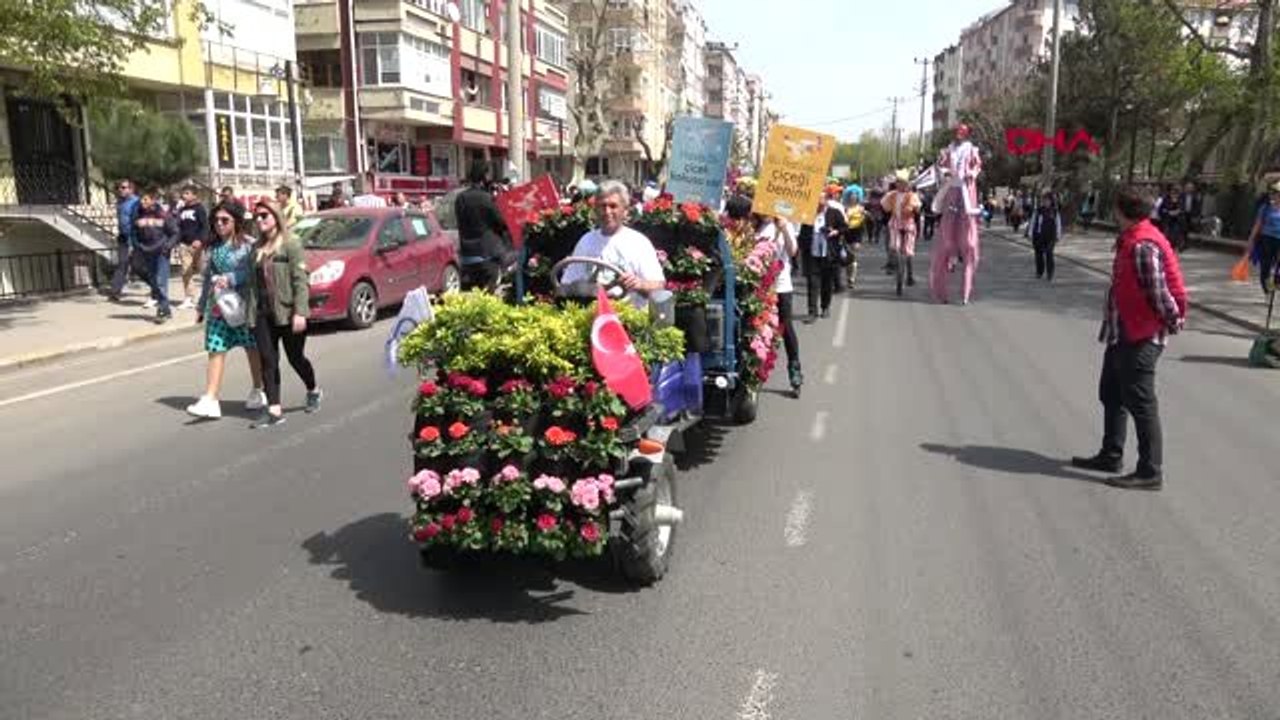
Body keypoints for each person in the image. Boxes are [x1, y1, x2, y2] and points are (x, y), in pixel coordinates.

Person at [1072, 187, 1187, 491]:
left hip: (1141, 333)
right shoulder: (1134, 237)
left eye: (1114, 209)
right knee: (1111, 393)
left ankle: (1150, 471)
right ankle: (1111, 454)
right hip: (1123, 330)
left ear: (1121, 211)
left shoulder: (1142, 245)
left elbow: (1160, 294)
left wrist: (1172, 323)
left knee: (1141, 402)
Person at [187, 201, 267, 419]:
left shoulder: (249, 245)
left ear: (237, 221)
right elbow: (206, 279)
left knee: (251, 348)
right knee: (216, 348)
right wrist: (201, 305)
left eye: (225, 220)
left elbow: (251, 273)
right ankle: (211, 398)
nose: (219, 224)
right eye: (216, 220)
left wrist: (230, 278)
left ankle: (259, 389)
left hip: (243, 306)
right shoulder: (212, 248)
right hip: (219, 306)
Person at [249, 200, 322, 428]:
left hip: (288, 312)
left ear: (276, 217)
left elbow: (300, 280)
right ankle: (274, 409)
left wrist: (300, 312)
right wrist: (249, 314)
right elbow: (251, 285)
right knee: (268, 360)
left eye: (264, 215)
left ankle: (313, 389)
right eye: (257, 217)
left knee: (295, 358)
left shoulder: (291, 243)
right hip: (263, 313)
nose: (259, 220)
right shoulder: (256, 249)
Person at [562, 181, 665, 307]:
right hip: (591, 316)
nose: (607, 212)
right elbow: (567, 284)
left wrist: (639, 284)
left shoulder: (639, 243)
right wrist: (585, 288)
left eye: (613, 206)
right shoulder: (586, 241)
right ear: (595, 210)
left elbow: (659, 285)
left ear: (625, 211)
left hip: (629, 317)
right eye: (602, 206)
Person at [931, 123, 983, 305]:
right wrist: (944, 170)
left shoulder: (972, 150)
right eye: (956, 133)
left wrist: (971, 173)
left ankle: (966, 292)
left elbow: (977, 167)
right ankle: (943, 285)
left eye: (962, 133)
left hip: (966, 193)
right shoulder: (948, 150)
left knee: (968, 241)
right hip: (951, 191)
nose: (958, 136)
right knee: (946, 242)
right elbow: (940, 167)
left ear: (966, 135)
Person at [758, 213, 802, 391]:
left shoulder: (785, 224)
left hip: (780, 285)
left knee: (785, 326)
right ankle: (756, 370)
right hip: (757, 284)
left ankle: (794, 367)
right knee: (757, 327)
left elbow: (792, 252)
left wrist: (783, 228)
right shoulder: (755, 224)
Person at [455, 161, 513, 290]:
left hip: (466, 256)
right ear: (484, 177)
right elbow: (501, 222)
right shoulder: (486, 198)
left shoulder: (460, 198)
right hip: (487, 255)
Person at [133, 187, 179, 323]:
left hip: (161, 253)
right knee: (153, 282)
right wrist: (137, 245)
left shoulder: (163, 214)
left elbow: (175, 232)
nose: (142, 202)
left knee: (160, 282)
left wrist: (167, 247)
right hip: (146, 252)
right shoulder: (138, 214)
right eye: (141, 199)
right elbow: (134, 232)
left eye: (145, 199)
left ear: (153, 200)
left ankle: (162, 310)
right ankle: (166, 308)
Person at [881, 176, 922, 287]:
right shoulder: (892, 195)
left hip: (908, 224)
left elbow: (918, 209)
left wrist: (915, 208)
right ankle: (894, 265)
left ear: (907, 184)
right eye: (899, 183)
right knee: (894, 246)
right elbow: (885, 207)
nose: (901, 185)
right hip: (895, 223)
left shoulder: (912, 196)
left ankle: (909, 275)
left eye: (904, 183)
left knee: (908, 251)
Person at [1242, 180, 1280, 295]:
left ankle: (1276, 285)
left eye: (1277, 193)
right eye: (1274, 192)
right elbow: (1257, 225)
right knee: (1265, 269)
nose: (1274, 195)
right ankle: (1268, 291)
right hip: (1267, 240)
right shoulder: (1266, 208)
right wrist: (1250, 241)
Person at [175, 185, 208, 309]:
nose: (184, 196)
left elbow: (205, 226)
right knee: (185, 270)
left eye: (187, 193)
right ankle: (189, 297)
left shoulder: (199, 209)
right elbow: (178, 227)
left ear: (194, 195)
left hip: (197, 245)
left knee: (200, 269)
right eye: (183, 193)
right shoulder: (181, 210)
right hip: (184, 244)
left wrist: (200, 240)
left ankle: (204, 293)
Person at [108, 178, 141, 301]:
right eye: (119, 188)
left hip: (135, 237)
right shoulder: (120, 203)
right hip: (122, 237)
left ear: (131, 189)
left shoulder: (137, 202)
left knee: (139, 266)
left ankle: (156, 288)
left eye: (123, 187)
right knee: (122, 263)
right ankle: (115, 291)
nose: (120, 190)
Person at [1028, 191, 1062, 281]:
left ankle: (1050, 273)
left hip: (1050, 237)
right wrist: (1030, 233)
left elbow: (1058, 224)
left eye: (1047, 200)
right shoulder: (1038, 210)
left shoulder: (1054, 212)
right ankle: (1039, 272)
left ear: (1051, 201)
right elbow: (1033, 222)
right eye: (1044, 200)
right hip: (1039, 236)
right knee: (1038, 255)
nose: (1046, 202)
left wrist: (1058, 235)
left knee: (1049, 254)